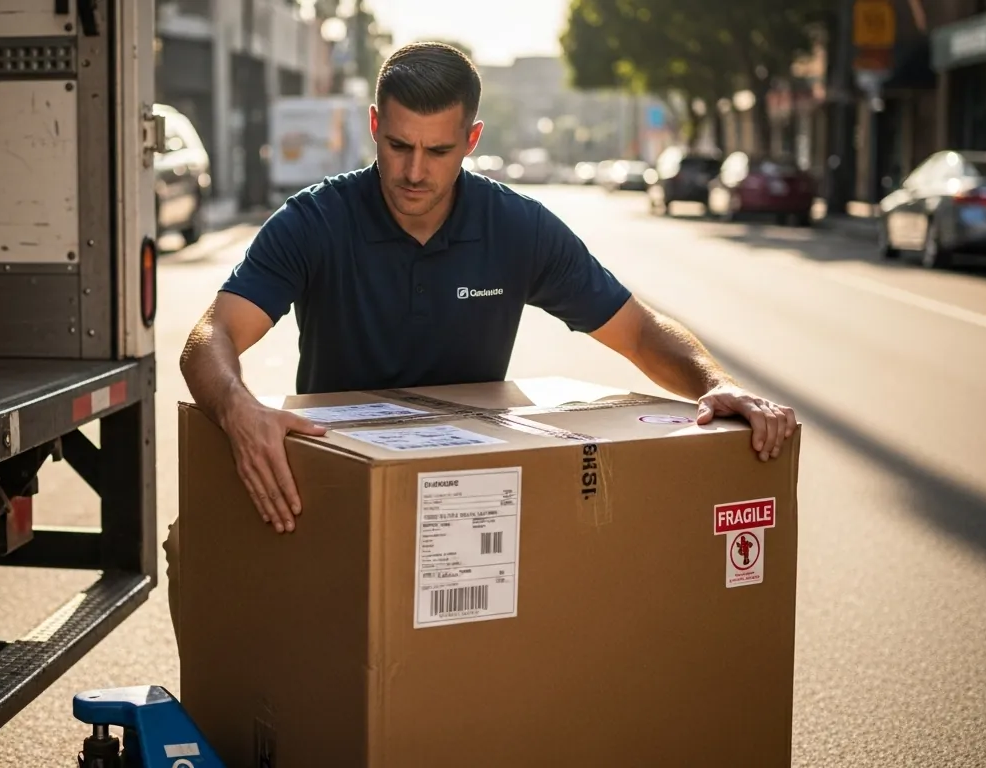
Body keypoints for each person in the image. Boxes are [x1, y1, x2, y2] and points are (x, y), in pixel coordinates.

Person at [167, 41, 796, 637]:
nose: (414, 171)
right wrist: (240, 409)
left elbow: (637, 330)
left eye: (437, 151)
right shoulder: (316, 220)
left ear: (471, 139)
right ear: (373, 125)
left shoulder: (515, 229)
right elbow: (211, 335)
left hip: (474, 508)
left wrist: (717, 384)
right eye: (397, 145)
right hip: (335, 493)